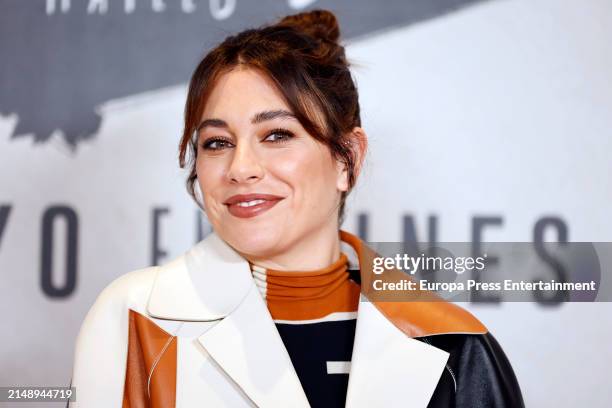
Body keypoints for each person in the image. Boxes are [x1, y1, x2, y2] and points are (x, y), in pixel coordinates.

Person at [68, 9, 524, 408]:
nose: (240, 168)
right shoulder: (135, 320)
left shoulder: (457, 348)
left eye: (277, 135)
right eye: (217, 142)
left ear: (348, 158)